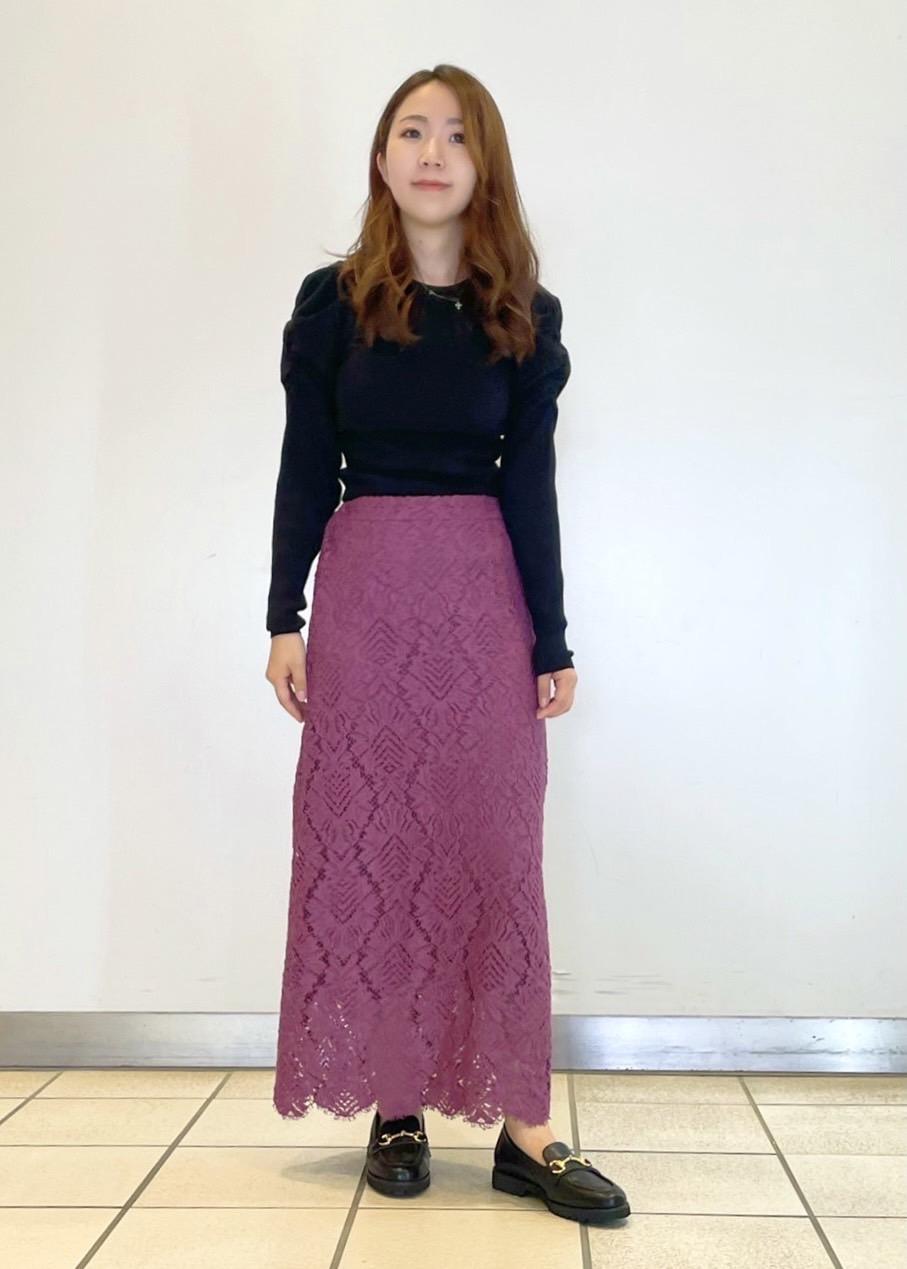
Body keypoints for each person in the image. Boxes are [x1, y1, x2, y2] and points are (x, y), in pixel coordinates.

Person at [264, 64, 630, 1225]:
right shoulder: (332, 303)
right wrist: (283, 617)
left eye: (457, 135)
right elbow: (303, 464)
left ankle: (526, 1129)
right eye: (411, 131)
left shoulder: (524, 312)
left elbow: (529, 486)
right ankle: (397, 1106)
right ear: (382, 159)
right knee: (376, 845)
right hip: (365, 597)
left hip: (483, 599)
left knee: (493, 852)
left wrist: (550, 637)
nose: (432, 152)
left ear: (485, 165)